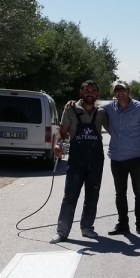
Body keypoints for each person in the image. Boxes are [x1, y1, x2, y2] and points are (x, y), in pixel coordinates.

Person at [51, 81, 109, 243]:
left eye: (93, 91)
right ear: (81, 92)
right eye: (87, 90)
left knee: (92, 195)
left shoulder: (103, 112)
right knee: (70, 195)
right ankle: (62, 232)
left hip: (96, 159)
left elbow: (114, 130)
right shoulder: (70, 109)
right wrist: (56, 144)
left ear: (97, 94)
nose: (90, 93)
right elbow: (62, 133)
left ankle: (87, 228)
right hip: (76, 159)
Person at [101, 80, 140, 236]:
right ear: (113, 93)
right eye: (116, 90)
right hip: (116, 158)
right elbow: (91, 108)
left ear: (129, 91)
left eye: (122, 89)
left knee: (139, 192)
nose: (120, 92)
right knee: (120, 193)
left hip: (136, 158)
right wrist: (74, 102)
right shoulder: (109, 107)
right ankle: (123, 224)